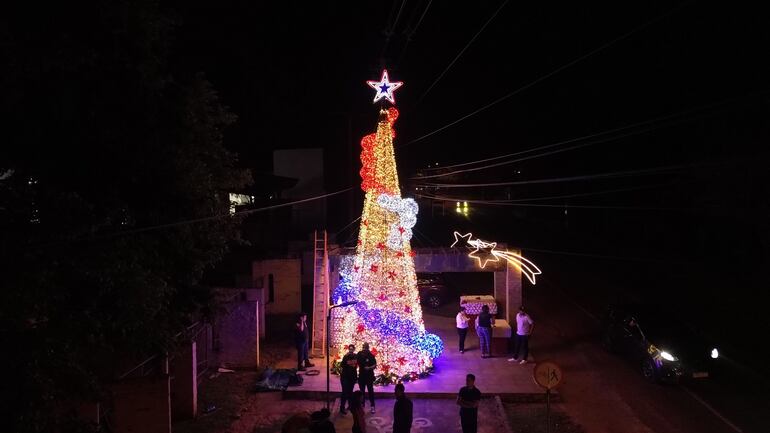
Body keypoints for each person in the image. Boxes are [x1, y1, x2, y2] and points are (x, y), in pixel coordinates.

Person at [356, 342, 377, 413]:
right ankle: (362, 404)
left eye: (366, 347)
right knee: (362, 392)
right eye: (364, 347)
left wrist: (369, 367)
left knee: (371, 391)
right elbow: (357, 361)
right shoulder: (359, 354)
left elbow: (374, 365)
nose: (365, 348)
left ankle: (372, 406)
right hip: (362, 376)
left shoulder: (371, 355)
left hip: (369, 376)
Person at [339, 344, 358, 415]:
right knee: (344, 392)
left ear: (354, 350)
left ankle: (350, 406)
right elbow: (342, 365)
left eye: (352, 349)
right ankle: (342, 408)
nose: (351, 350)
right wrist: (346, 360)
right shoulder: (346, 356)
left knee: (350, 392)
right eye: (350, 349)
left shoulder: (356, 356)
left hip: (352, 377)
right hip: (345, 377)